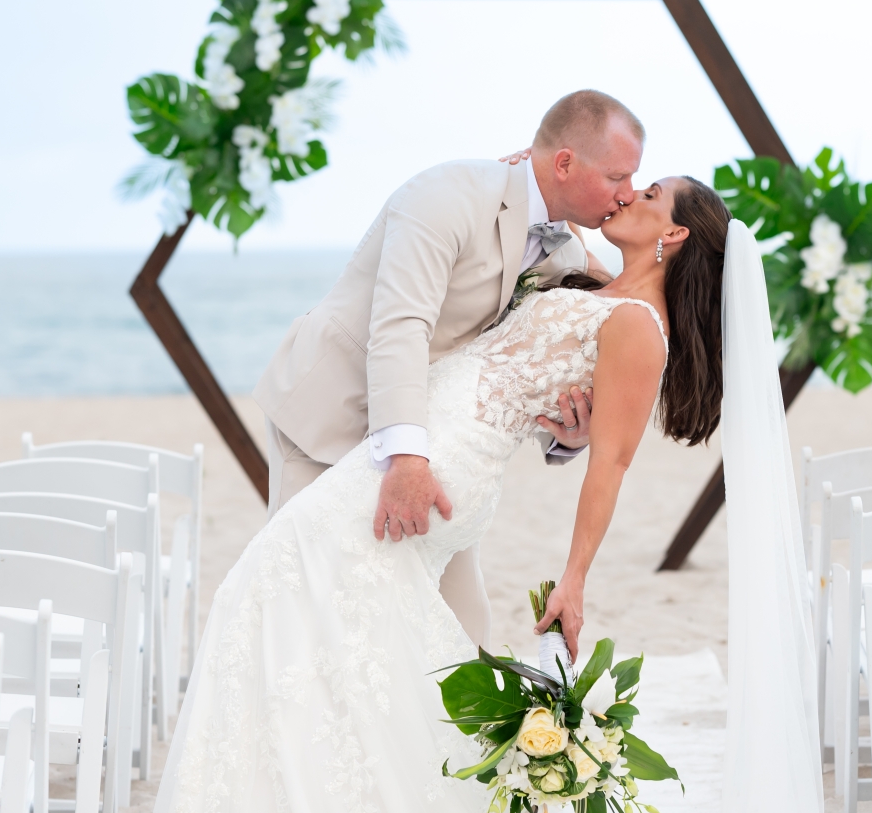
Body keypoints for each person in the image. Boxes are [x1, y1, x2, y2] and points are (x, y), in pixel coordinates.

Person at [151, 143, 734, 813]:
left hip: (442, 469)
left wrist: (577, 576)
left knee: (281, 586)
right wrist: (517, 176)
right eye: (623, 180)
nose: (627, 193)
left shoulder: (639, 327)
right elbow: (524, 260)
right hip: (410, 449)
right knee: (344, 635)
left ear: (676, 235)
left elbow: (612, 464)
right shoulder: (589, 273)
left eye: (649, 192)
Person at [248, 89, 641, 649]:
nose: (626, 195)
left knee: (462, 623)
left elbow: (542, 351)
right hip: (330, 415)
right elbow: (401, 324)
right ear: (564, 163)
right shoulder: (446, 195)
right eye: (618, 178)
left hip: (436, 440)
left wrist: (571, 435)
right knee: (302, 600)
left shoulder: (565, 252)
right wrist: (407, 457)